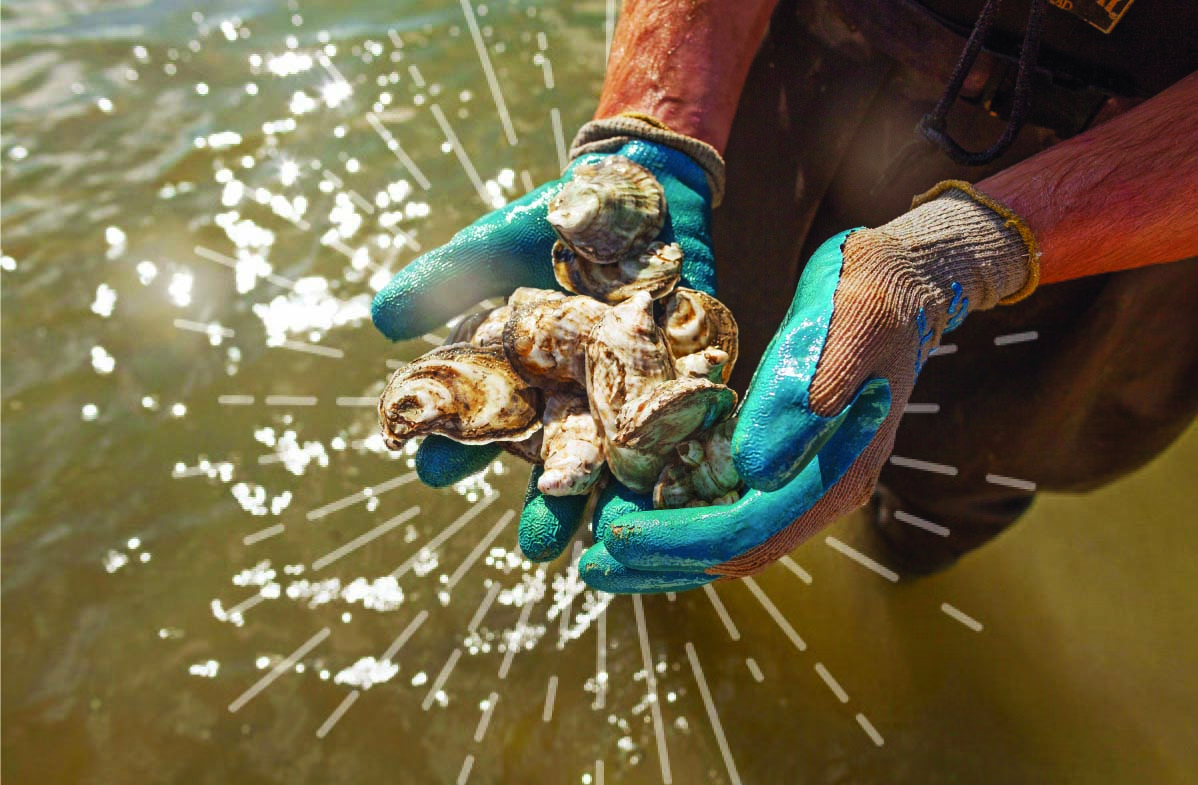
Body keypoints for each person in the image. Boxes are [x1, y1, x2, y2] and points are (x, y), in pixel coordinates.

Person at [371, 0, 1198, 593]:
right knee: (689, 463)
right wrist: (657, 122)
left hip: (1143, 186)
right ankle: (666, 561)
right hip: (809, 53)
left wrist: (965, 252)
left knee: (975, 465)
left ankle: (901, 576)